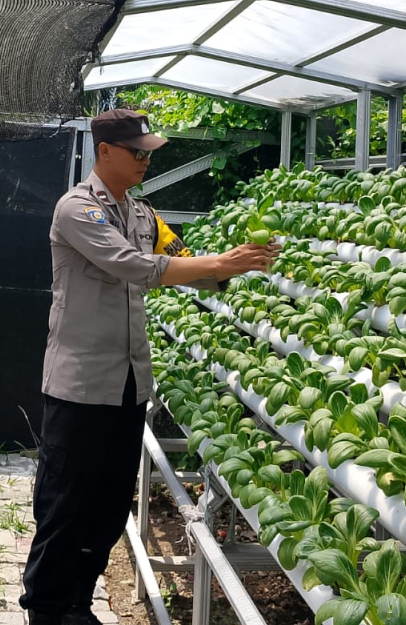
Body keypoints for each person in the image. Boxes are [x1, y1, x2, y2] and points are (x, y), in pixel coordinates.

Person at [20, 108, 279, 625]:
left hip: (129, 384)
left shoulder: (144, 216)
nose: (144, 160)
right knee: (65, 501)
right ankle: (45, 608)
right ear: (106, 152)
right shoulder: (77, 210)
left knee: (111, 503)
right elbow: (137, 267)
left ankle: (78, 603)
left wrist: (232, 265)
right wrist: (218, 264)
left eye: (148, 153)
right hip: (79, 385)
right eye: (137, 152)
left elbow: (185, 262)